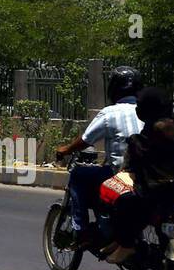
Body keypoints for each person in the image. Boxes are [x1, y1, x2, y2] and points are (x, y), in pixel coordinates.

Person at [55, 65, 144, 246]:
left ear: (113, 88)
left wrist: (66, 149)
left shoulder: (109, 113)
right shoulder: (149, 112)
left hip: (121, 175)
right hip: (150, 176)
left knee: (79, 174)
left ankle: (80, 230)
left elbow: (86, 139)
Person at [106, 86, 174, 263]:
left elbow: (141, 154)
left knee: (121, 201)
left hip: (155, 188)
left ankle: (126, 245)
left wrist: (132, 144)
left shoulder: (155, 129)